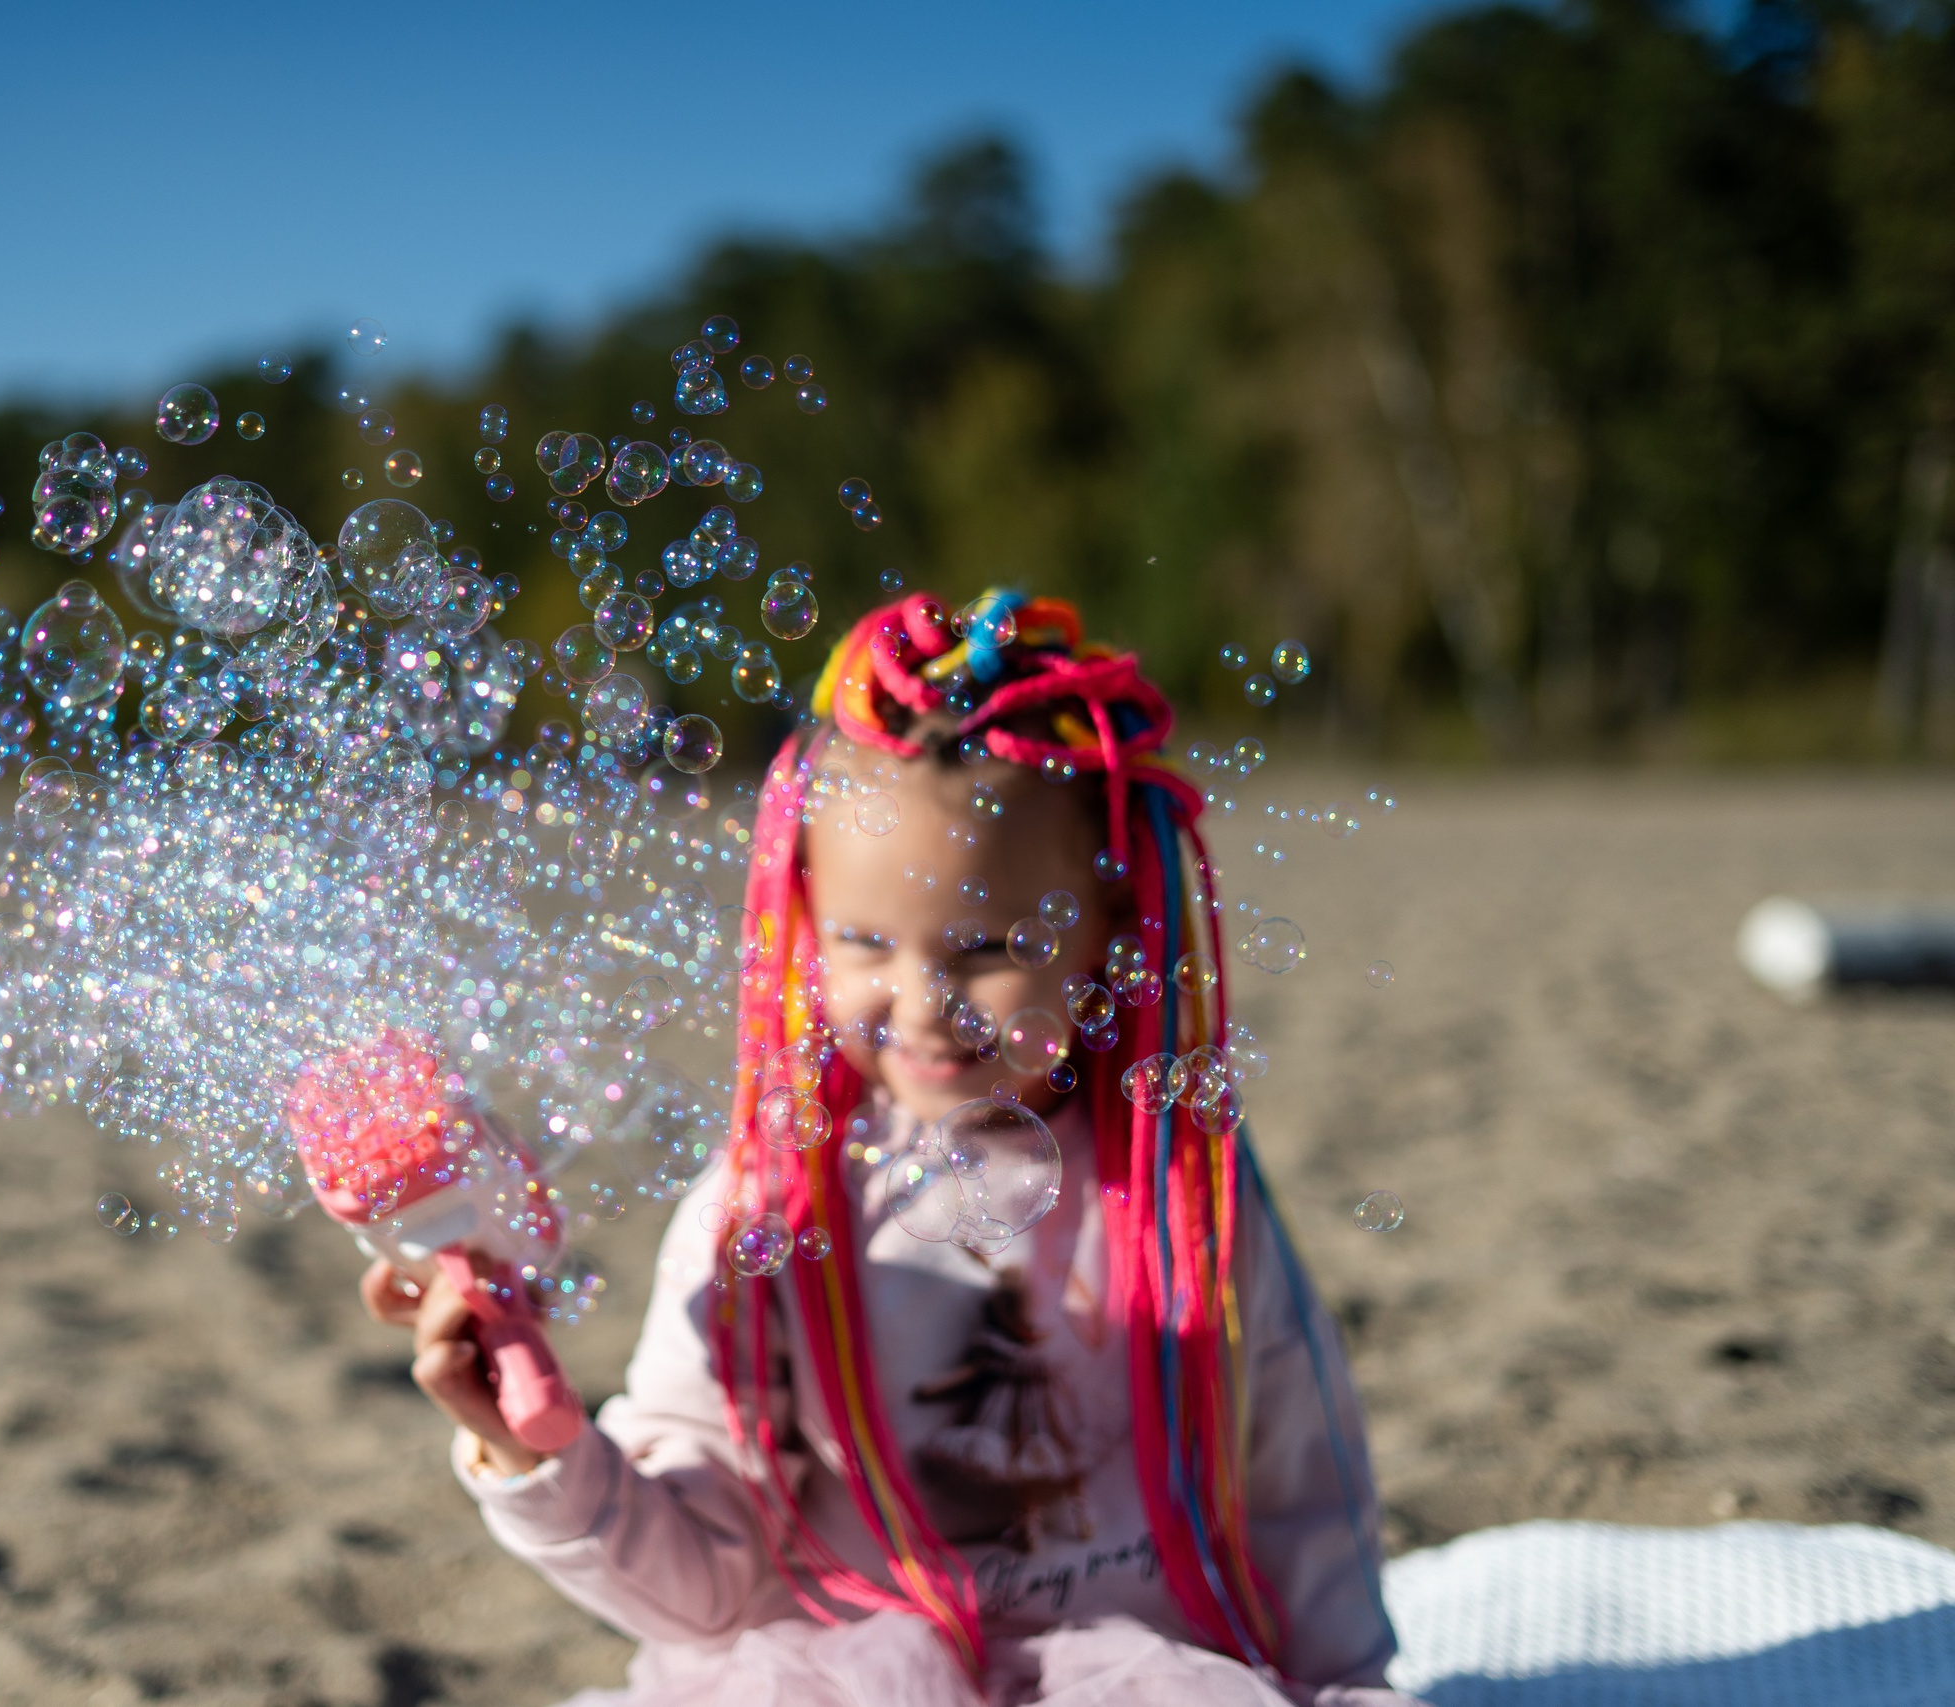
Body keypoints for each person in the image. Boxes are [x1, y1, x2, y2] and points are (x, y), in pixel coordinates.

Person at [361, 592, 1418, 1706]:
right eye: (864, 941)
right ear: (802, 918)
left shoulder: (1179, 1195)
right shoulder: (764, 1207)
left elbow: (1297, 1483)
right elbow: (702, 1592)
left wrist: (1347, 1687)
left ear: (1110, 918)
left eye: (987, 947)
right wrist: (540, 1456)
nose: (921, 1004)